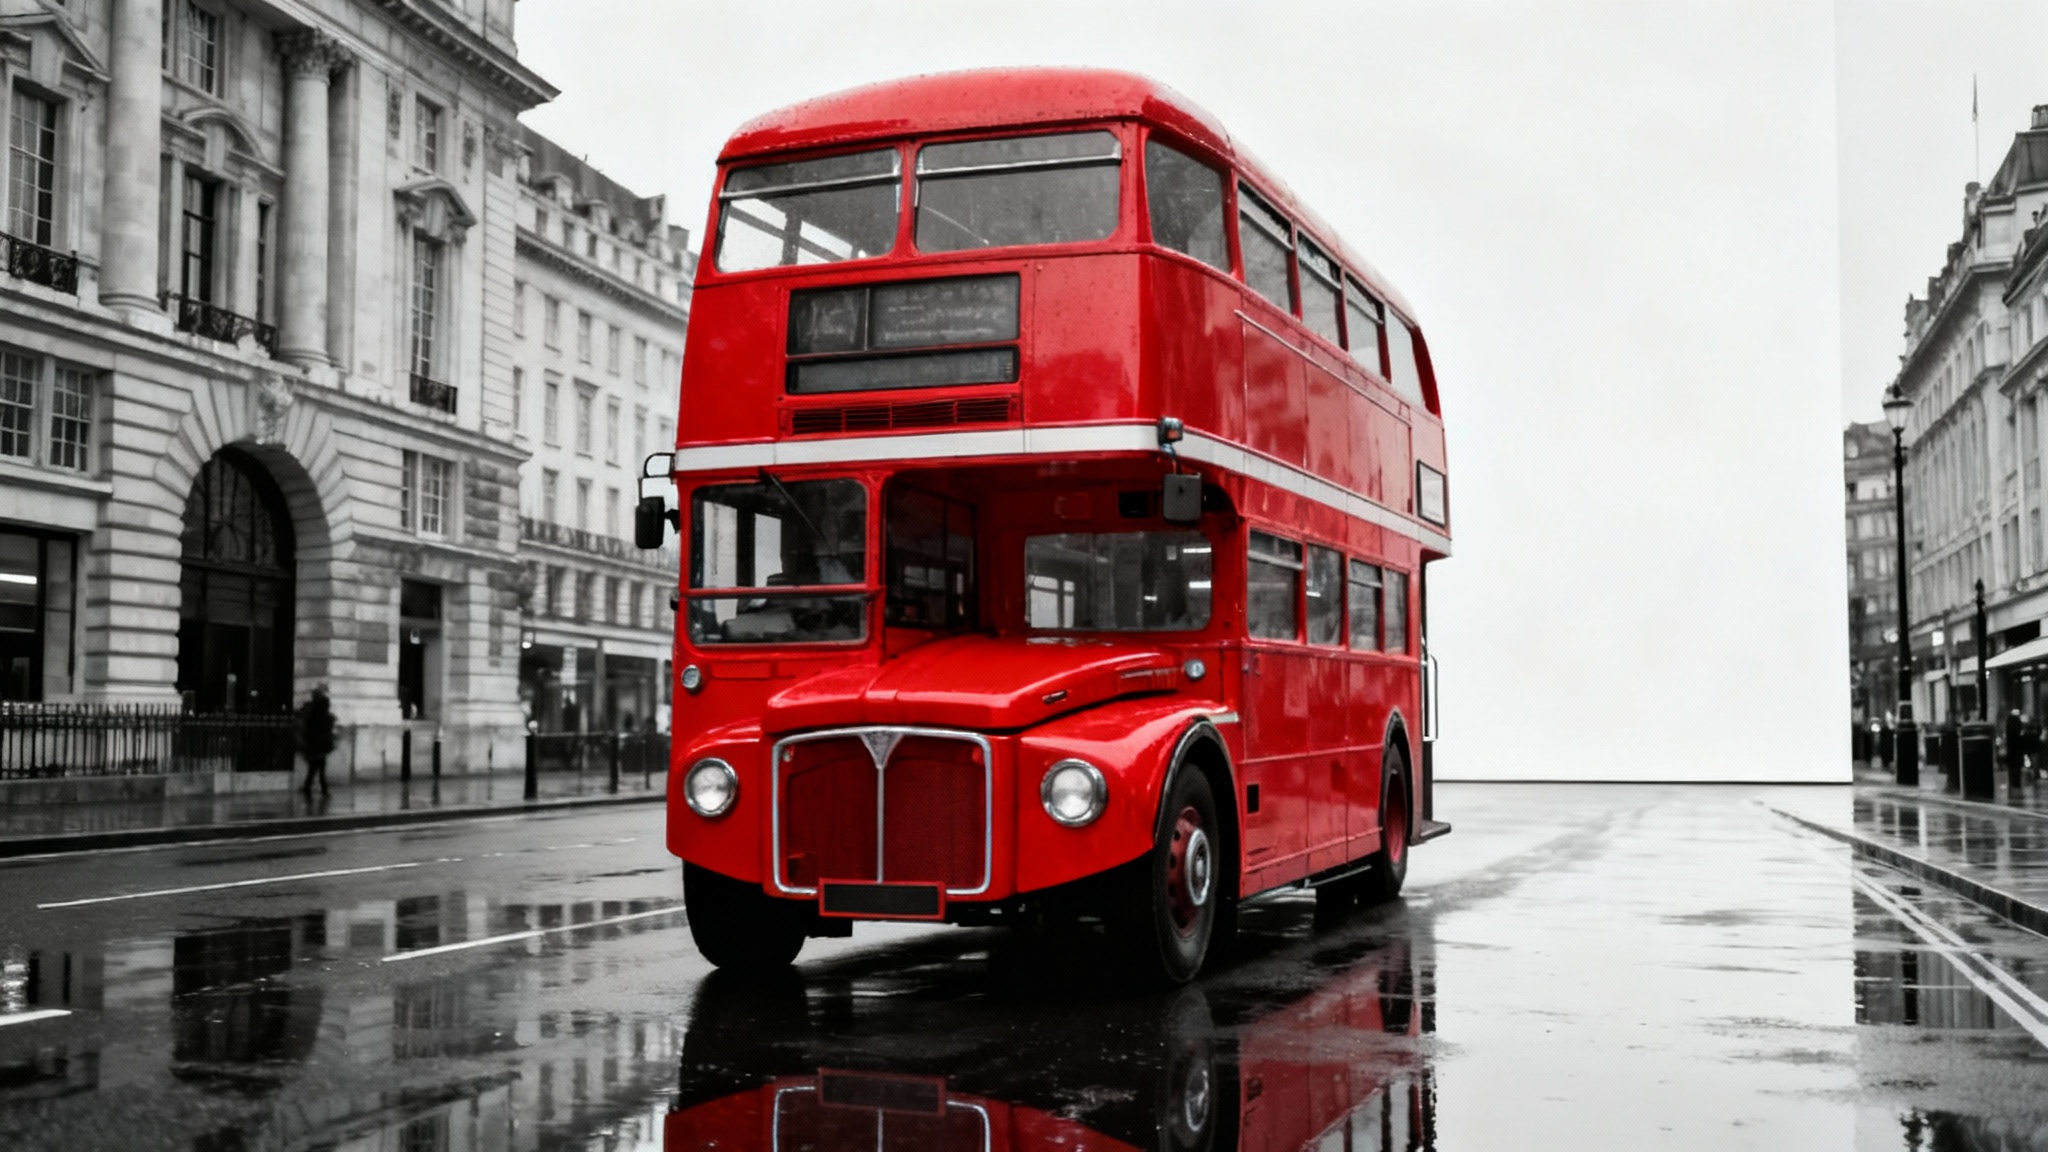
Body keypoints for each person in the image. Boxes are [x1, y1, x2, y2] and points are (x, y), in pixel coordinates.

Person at [299, 686, 337, 797]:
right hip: (321, 744)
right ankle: (321, 789)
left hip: (315, 744)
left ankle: (309, 787)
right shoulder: (324, 712)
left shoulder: (313, 711)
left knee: (315, 767)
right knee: (320, 767)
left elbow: (308, 728)